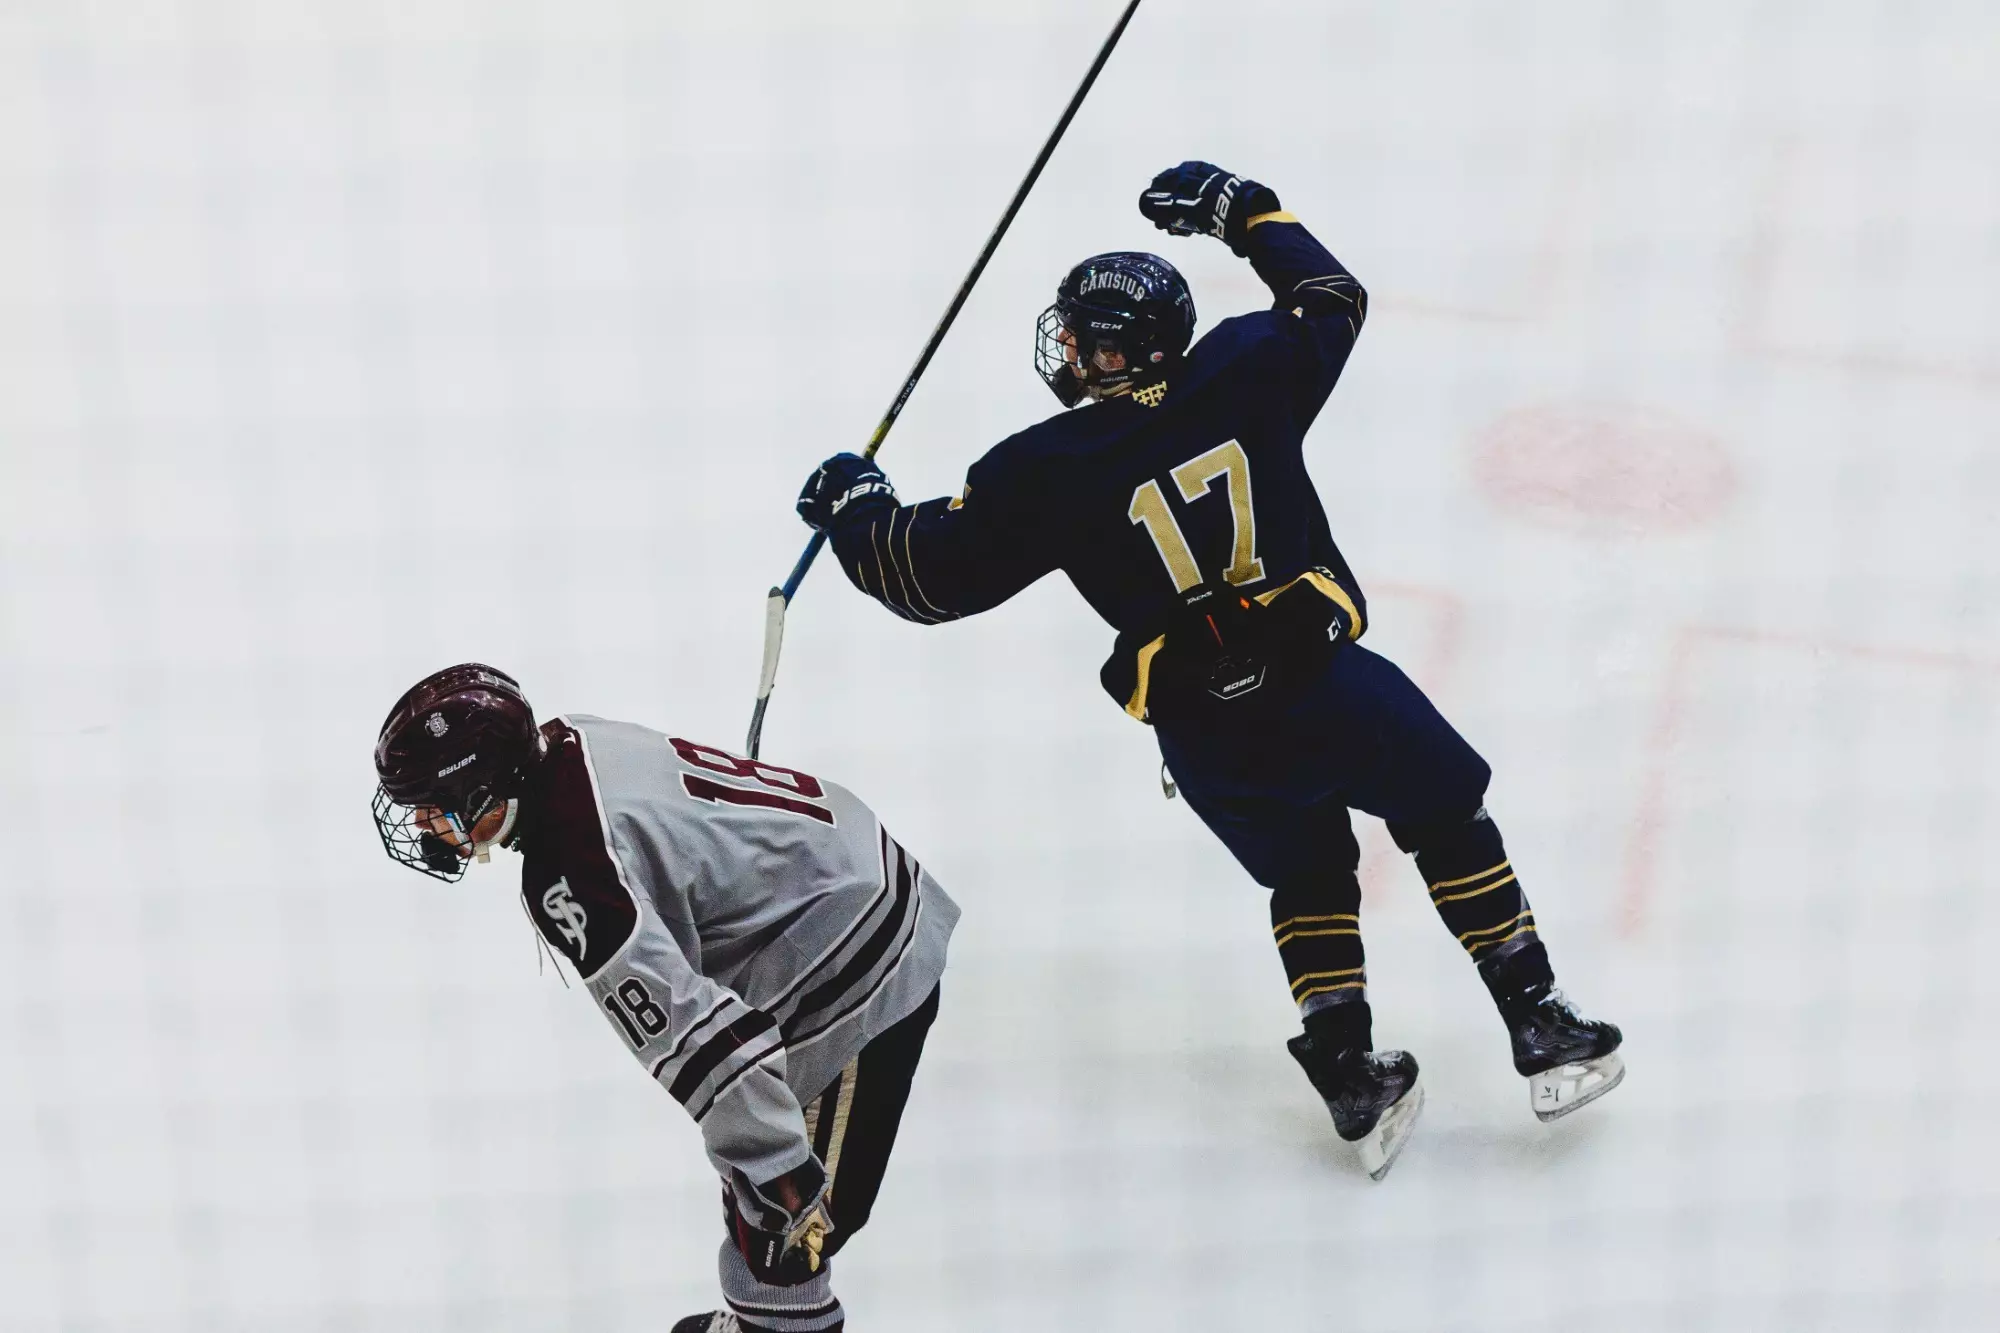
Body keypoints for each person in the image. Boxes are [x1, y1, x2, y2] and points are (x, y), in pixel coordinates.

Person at [795, 161, 1622, 1181]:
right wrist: (1242, 211)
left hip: (1203, 734)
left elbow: (919, 581)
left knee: (1307, 869)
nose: (1079, 352)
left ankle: (1348, 1070)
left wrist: (853, 510)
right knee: (1443, 812)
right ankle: (1534, 1014)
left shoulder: (1038, 468)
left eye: (1090, 337)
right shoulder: (1246, 364)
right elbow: (1331, 297)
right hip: (1322, 684)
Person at [371, 663, 958, 1333]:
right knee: (760, 1183)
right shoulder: (567, 740)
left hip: (854, 950)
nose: (419, 822)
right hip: (846, 861)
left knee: (787, 1230)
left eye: (429, 801)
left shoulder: (570, 875)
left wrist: (776, 1171)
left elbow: (700, 1044)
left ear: (481, 791)